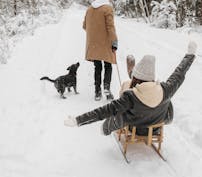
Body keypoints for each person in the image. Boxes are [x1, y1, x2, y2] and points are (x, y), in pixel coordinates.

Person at [64, 41, 197, 136]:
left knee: (116, 111)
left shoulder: (130, 97)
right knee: (166, 96)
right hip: (156, 126)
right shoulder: (166, 89)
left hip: (136, 129)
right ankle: (133, 73)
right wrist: (190, 55)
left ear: (136, 79)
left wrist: (78, 120)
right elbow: (180, 73)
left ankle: (105, 129)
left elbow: (103, 111)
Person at [83, 0, 118, 101]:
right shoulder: (107, 8)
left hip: (93, 43)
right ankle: (107, 89)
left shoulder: (89, 9)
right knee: (108, 65)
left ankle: (97, 92)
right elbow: (110, 27)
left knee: (97, 67)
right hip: (106, 43)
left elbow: (84, 26)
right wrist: (114, 41)